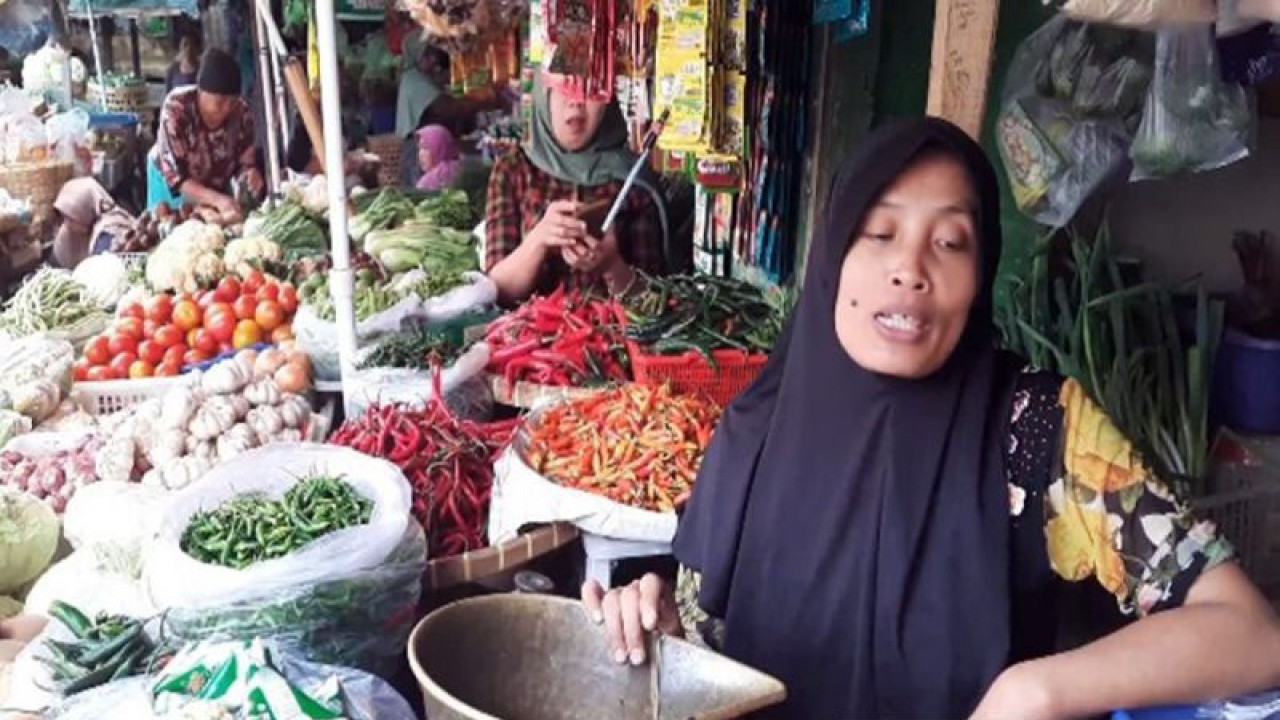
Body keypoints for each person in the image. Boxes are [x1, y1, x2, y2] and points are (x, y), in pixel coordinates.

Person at [582, 118, 1280, 719]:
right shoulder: (753, 431)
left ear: (980, 276)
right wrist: (657, 628)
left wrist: (1036, 691)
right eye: (879, 233)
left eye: (951, 243)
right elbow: (712, 646)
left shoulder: (1036, 427)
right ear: (831, 258)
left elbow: (1250, 634)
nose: (911, 269)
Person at [484, 73, 671, 305]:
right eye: (563, 87)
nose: (575, 101)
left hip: (612, 338)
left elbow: (655, 301)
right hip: (529, 337)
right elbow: (496, 292)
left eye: (590, 90)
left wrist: (612, 265)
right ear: (545, 96)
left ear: (608, 101)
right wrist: (539, 240)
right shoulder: (513, 171)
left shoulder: (634, 180)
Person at [147, 48, 263, 219]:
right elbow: (175, 175)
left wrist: (250, 173)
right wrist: (217, 200)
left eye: (232, 102)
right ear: (200, 92)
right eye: (220, 102)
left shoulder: (241, 113)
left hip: (215, 186)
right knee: (168, 227)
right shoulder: (177, 107)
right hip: (170, 185)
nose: (226, 109)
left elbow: (245, 162)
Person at [395, 34, 504, 185]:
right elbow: (446, 108)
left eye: (433, 53)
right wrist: (486, 102)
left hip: (425, 147)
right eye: (427, 55)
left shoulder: (423, 77)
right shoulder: (414, 81)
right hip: (420, 148)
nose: (433, 59)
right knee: (423, 192)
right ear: (416, 56)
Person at [51, 177, 134, 269]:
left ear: (86, 209)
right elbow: (54, 265)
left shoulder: (110, 229)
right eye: (65, 216)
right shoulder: (69, 232)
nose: (66, 223)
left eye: (72, 217)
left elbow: (101, 269)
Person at [414, 124, 463, 191]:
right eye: (419, 148)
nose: (420, 154)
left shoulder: (431, 179)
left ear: (439, 148)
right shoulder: (462, 167)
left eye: (425, 148)